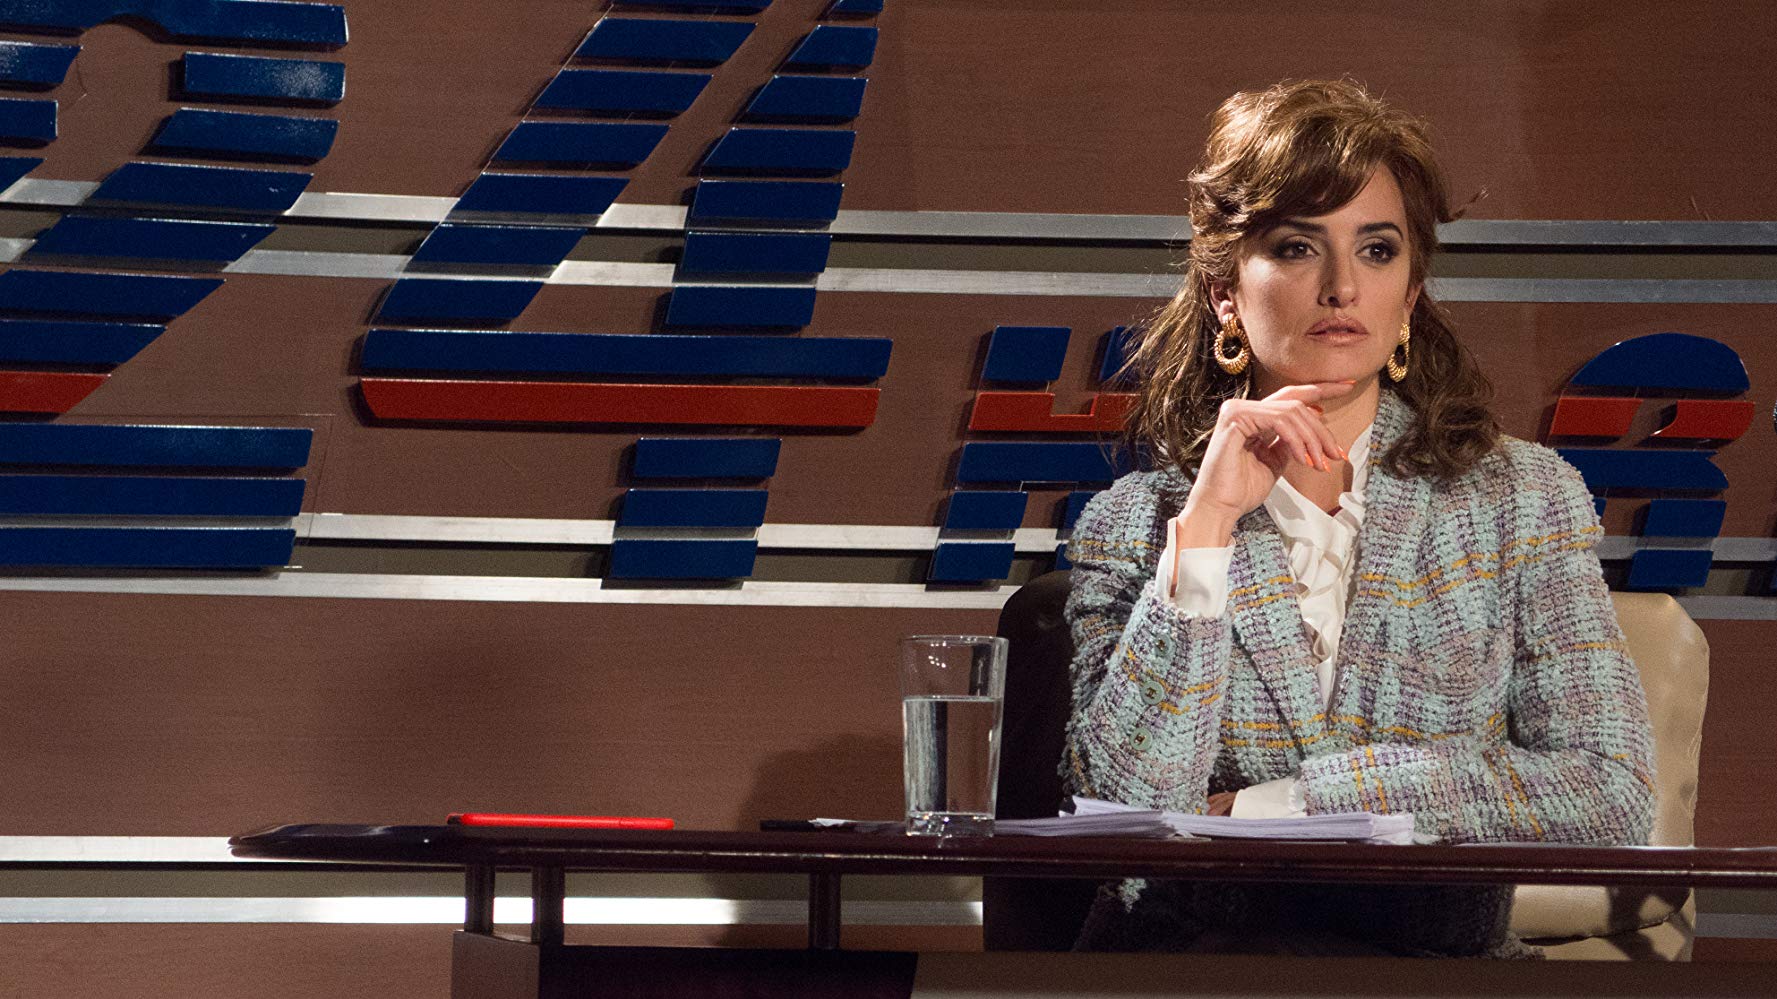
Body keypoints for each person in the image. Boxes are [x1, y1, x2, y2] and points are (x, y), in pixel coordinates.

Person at [1062, 79, 1656, 956]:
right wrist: (1211, 525)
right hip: (1190, 971)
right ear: (1226, 292)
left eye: (1376, 250)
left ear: (1409, 296)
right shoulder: (1138, 523)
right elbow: (1123, 812)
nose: (1341, 285)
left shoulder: (1521, 500)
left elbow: (1608, 795)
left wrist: (1298, 803)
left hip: (1438, 969)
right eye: (1298, 246)